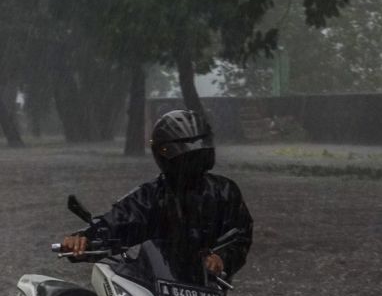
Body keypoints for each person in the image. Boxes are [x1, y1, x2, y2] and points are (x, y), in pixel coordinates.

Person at [60, 110, 253, 283]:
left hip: (209, 291)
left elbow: (240, 235)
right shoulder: (149, 196)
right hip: (157, 289)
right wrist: (83, 238)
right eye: (186, 155)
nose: (192, 161)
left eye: (197, 153)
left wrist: (220, 258)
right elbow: (116, 222)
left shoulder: (225, 191)